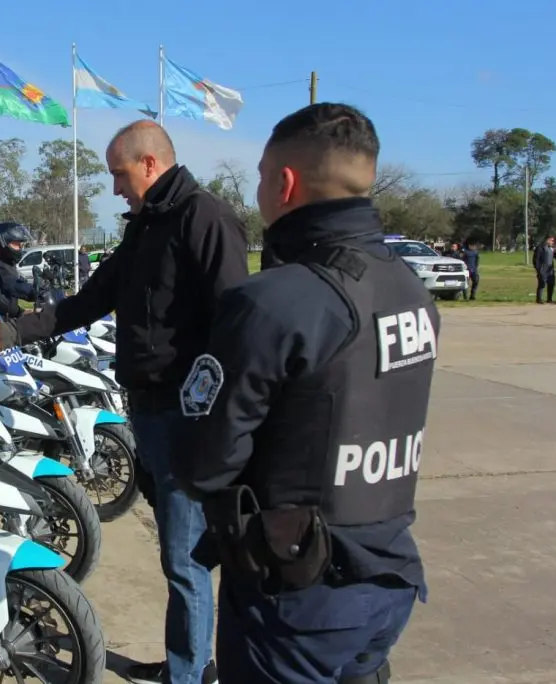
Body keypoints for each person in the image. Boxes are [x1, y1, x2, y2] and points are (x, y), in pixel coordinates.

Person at [0, 118, 248, 684]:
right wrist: (8, 333)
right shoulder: (146, 226)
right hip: (150, 411)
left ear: (149, 164)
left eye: (119, 173)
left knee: (186, 559)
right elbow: (89, 300)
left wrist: (215, 416)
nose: (114, 187)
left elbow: (235, 323)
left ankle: (190, 676)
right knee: (179, 555)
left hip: (187, 418)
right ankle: (188, 663)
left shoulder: (203, 217)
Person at [170, 103, 434, 683]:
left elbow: (206, 461)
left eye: (262, 176)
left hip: (294, 594)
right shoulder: (411, 288)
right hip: (388, 575)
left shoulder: (275, 301)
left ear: (284, 183)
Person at [0, 222, 38, 316]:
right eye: (16, 244)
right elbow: (12, 284)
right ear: (2, 243)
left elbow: (10, 302)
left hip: (8, 315)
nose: (20, 248)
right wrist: (33, 291)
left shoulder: (7, 263)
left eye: (21, 244)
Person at [533, 234, 556, 303]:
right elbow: (535, 259)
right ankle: (539, 299)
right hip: (542, 269)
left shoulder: (551, 248)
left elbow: (555, 255)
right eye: (551, 240)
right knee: (542, 283)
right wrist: (538, 269)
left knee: (551, 283)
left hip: (550, 269)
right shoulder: (540, 247)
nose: (553, 242)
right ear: (547, 240)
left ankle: (549, 299)